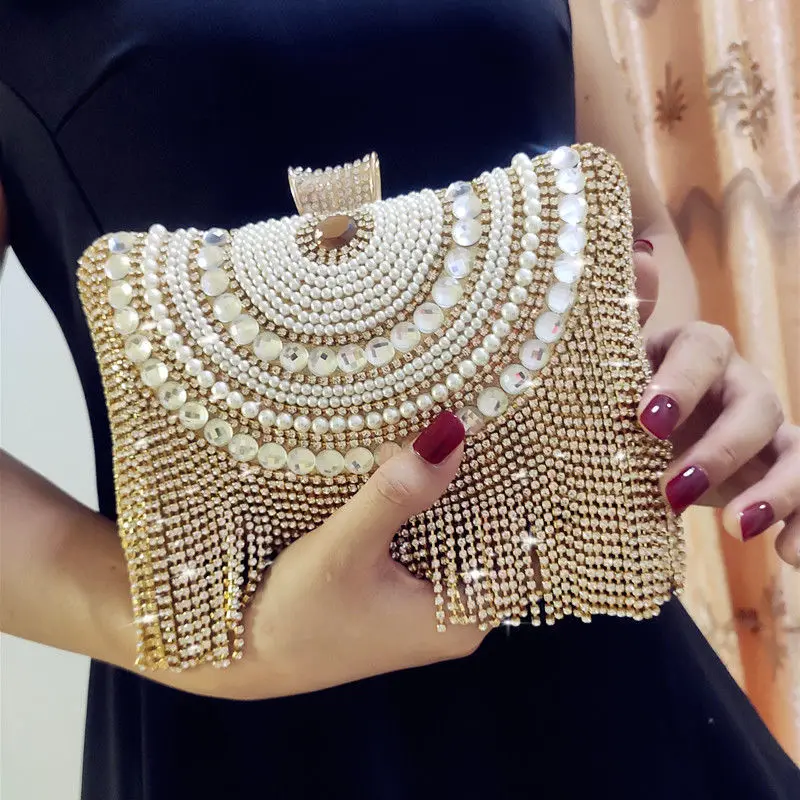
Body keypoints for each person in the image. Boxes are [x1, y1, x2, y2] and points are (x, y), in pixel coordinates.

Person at [1, 1, 798, 798]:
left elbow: (638, 229)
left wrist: (660, 387)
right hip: (243, 712)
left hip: (597, 650)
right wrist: (227, 645)